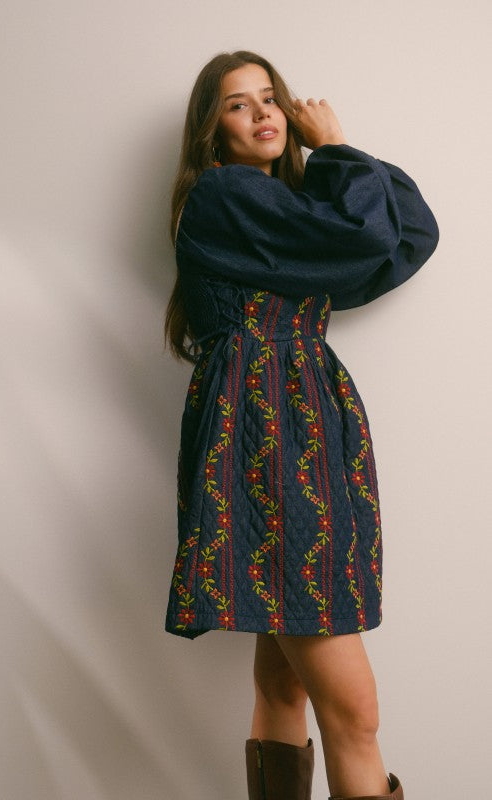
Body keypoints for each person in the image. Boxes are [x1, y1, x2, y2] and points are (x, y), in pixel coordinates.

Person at [163, 50, 438, 800]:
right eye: (236, 104)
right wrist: (337, 148)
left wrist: (341, 157)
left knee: (285, 687)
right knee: (356, 713)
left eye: (269, 98)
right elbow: (360, 234)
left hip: (302, 427)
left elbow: (406, 236)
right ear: (209, 133)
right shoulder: (226, 197)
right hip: (267, 439)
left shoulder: (279, 223)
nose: (262, 113)